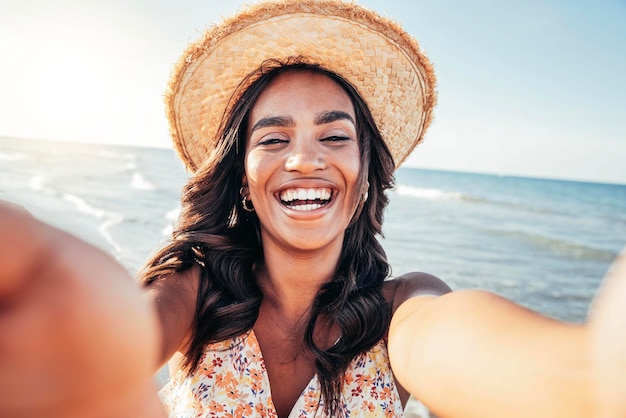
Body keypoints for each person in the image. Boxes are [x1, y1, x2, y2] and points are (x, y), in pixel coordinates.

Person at [0, 1, 624, 417]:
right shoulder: (192, 292)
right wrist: (68, 342)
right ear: (241, 177)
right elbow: (120, 343)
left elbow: (484, 357)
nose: (304, 160)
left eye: (333, 136)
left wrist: (588, 376)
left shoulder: (404, 311)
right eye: (273, 139)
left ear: (364, 172)